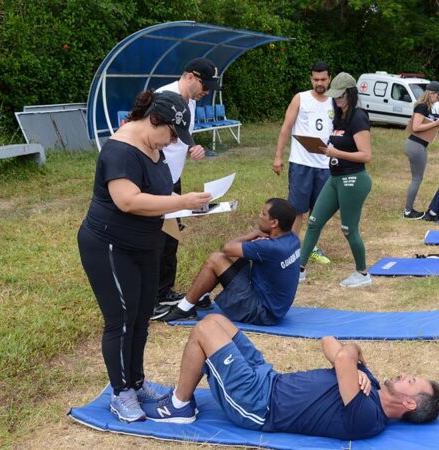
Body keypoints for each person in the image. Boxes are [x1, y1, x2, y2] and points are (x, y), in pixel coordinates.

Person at [77, 90, 212, 422]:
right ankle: (120, 392)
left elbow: (160, 194)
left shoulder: (154, 147)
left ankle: (136, 382)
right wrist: (182, 203)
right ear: (154, 120)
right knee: (120, 321)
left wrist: (185, 216)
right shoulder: (120, 150)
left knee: (140, 317)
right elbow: (128, 201)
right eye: (170, 134)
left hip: (146, 244)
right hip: (110, 246)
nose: (171, 142)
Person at [141, 314, 439, 440]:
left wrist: (351, 354)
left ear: (409, 404)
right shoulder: (370, 385)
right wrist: (352, 355)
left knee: (205, 331)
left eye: (412, 381)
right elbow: (327, 340)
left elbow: (339, 355)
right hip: (267, 378)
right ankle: (182, 399)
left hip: (258, 404)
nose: (405, 375)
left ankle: (179, 404)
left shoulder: (368, 418)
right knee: (216, 320)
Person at [150, 58, 219, 320]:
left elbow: (178, 139)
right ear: (190, 76)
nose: (207, 92)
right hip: (157, 178)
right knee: (157, 237)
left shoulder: (189, 100)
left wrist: (193, 147)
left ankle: (164, 290)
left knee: (171, 238)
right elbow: (150, 139)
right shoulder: (163, 98)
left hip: (173, 178)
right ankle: (152, 297)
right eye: (205, 85)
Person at [159, 198, 301, 325]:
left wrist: (251, 235)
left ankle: (183, 310)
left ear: (274, 223)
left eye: (263, 214)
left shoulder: (269, 247)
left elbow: (227, 248)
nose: (259, 216)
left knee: (216, 259)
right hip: (276, 310)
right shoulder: (293, 239)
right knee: (236, 256)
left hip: (261, 314)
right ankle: (202, 299)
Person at [297, 72, 373, 288]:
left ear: (350, 94)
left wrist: (336, 153)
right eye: (335, 97)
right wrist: (323, 149)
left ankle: (363, 273)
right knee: (314, 222)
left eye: (341, 96)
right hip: (335, 178)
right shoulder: (339, 116)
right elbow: (338, 146)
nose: (337, 100)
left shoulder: (358, 117)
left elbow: (366, 155)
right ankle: (300, 270)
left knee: (349, 229)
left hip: (354, 180)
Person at [273, 60, 334, 265]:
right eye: (316, 79)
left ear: (329, 79)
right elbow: (286, 127)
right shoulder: (300, 98)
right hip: (301, 164)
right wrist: (278, 156)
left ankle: (310, 247)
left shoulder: (335, 101)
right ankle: (290, 250)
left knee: (318, 213)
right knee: (297, 210)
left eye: (323, 79)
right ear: (311, 78)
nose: (319, 83)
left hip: (325, 165)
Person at [403, 81, 439, 220]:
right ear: (431, 94)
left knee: (417, 178)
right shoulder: (422, 107)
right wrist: (436, 123)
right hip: (415, 145)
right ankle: (408, 211)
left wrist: (436, 121)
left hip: (418, 145)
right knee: (417, 179)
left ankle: (409, 210)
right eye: (438, 96)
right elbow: (416, 127)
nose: (438, 99)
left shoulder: (425, 107)